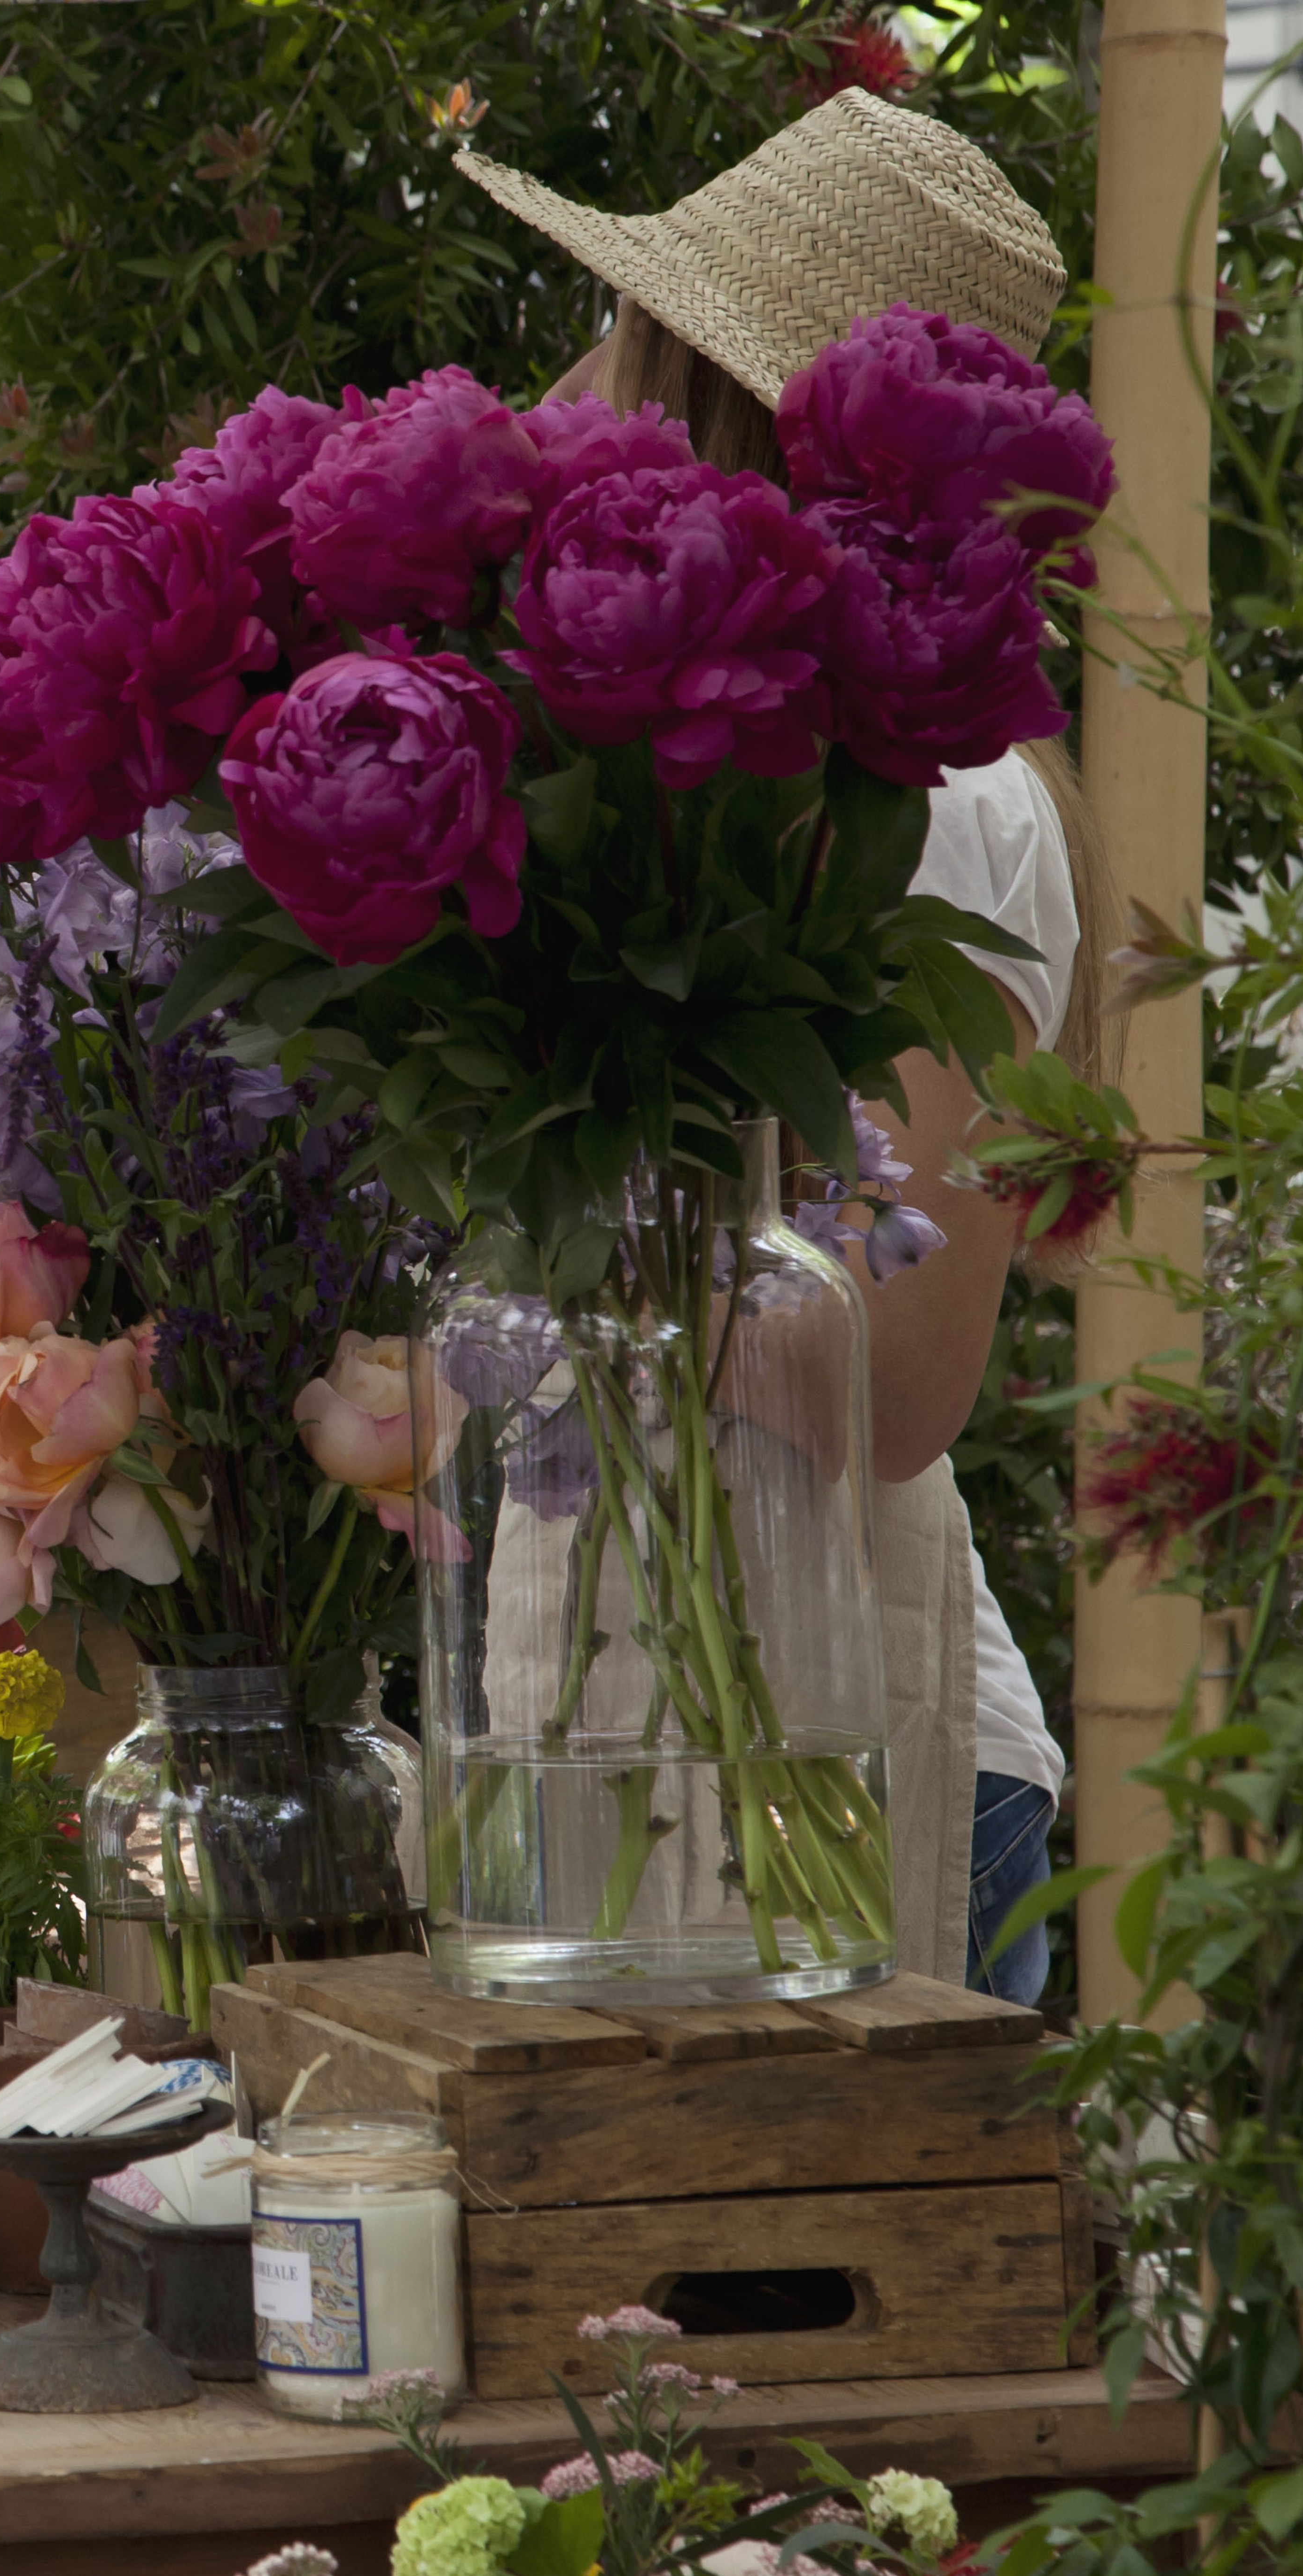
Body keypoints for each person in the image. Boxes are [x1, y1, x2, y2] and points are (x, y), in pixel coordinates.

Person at [460, 90, 1122, 2004]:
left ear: (710, 398)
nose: (578, 386)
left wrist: (563, 1208)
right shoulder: (704, 768)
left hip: (843, 1745)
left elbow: (904, 1382)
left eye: (631, 335)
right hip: (632, 1694)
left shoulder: (957, 801)